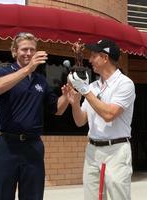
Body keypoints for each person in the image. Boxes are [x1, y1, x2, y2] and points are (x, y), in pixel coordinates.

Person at [0, 32, 69, 200]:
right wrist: (27, 69)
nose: (28, 53)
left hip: (33, 147)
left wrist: (68, 96)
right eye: (24, 49)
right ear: (14, 52)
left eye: (32, 50)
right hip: (6, 146)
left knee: (33, 196)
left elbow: (57, 109)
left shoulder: (40, 80)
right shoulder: (3, 71)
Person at [68, 39, 136, 200]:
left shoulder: (125, 84)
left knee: (118, 197)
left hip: (117, 150)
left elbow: (109, 115)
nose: (89, 60)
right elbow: (80, 121)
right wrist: (75, 102)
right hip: (92, 150)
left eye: (93, 55)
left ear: (105, 58)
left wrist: (85, 91)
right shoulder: (93, 86)